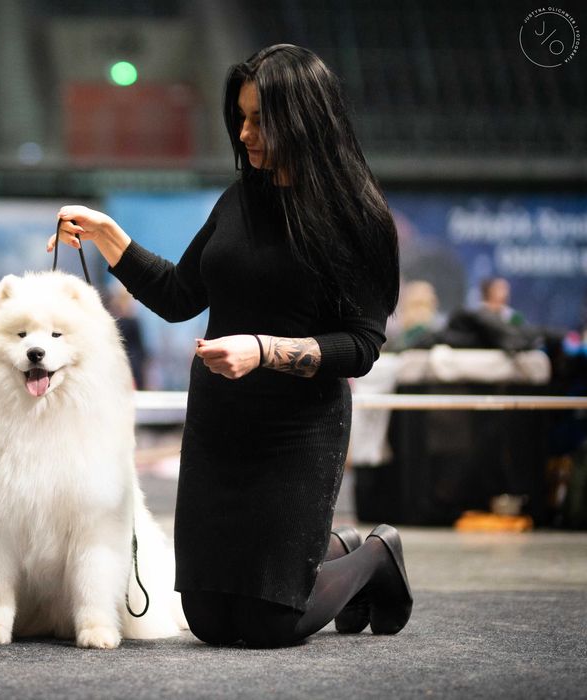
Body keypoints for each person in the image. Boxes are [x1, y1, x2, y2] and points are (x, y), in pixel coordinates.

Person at [48, 44, 411, 648]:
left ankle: (374, 555)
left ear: (305, 119)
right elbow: (178, 293)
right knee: (212, 624)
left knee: (271, 624)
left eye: (259, 120)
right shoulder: (237, 199)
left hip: (296, 432)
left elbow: (362, 346)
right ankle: (335, 548)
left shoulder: (357, 217)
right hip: (219, 425)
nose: (244, 134)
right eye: (239, 117)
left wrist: (265, 350)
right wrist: (110, 238)